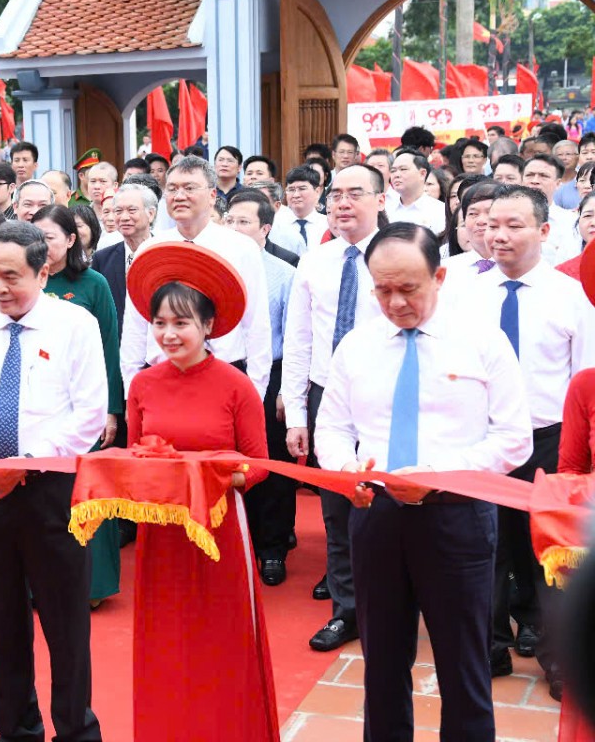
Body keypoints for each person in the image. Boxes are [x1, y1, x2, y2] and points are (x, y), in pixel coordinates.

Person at [315, 221, 531, 740]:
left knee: (464, 665)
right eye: (383, 289)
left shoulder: (481, 341)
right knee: (383, 663)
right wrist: (349, 470)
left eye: (408, 289)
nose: (395, 302)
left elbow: (514, 437)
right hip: (376, 513)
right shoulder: (357, 346)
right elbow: (333, 429)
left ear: (439, 276)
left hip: (457, 515)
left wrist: (441, 478)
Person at [0, 220, 106, 742]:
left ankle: (76, 731)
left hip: (51, 493)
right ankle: (17, 730)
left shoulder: (75, 325)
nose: (0, 287)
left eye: (13, 276)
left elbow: (90, 415)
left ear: (45, 270)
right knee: (2, 627)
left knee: (65, 626)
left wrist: (27, 462)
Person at [123, 241, 278, 741]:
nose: (168, 334)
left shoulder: (236, 385)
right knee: (165, 638)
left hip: (218, 528)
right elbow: (133, 454)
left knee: (221, 637)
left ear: (209, 326)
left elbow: (259, 464)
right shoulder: (143, 385)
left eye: (181, 324)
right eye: (160, 323)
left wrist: (214, 477)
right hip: (161, 532)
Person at [476, 184, 595, 694]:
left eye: (513, 226)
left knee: (550, 552)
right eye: (490, 225)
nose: (498, 236)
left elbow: (584, 376)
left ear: (544, 231)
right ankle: (490, 647)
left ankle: (557, 655)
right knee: (486, 548)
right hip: (484, 438)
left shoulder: (571, 296)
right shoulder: (466, 294)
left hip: (551, 439)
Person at [282, 164, 387, 652]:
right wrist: (299, 414)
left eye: (356, 194)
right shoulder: (315, 260)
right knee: (336, 510)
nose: (343, 203)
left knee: (390, 506)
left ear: (381, 200)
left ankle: (394, 606)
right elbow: (299, 340)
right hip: (328, 396)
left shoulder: (402, 252)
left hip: (387, 394)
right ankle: (348, 611)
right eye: (336, 194)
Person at [120, 156, 272, 402]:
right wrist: (131, 389)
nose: (179, 196)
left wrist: (254, 392)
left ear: (212, 195)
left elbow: (256, 325)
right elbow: (136, 325)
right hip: (160, 378)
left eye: (189, 188)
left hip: (225, 377)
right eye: (172, 188)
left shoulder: (241, 248)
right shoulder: (150, 249)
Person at [32, 204, 124, 605]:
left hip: (83, 402)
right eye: (35, 238)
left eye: (49, 238)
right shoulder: (26, 284)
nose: (42, 246)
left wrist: (110, 409)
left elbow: (109, 350)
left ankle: (92, 585)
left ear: (71, 240)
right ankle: (40, 583)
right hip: (38, 405)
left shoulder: (93, 284)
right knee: (42, 496)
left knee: (86, 491)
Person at [224, 190, 298, 585]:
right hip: (222, 374)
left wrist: (286, 388)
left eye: (245, 222)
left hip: (269, 376)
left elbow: (293, 336)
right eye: (230, 220)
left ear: (265, 229)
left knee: (268, 462)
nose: (234, 229)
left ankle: (272, 548)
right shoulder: (215, 263)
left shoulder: (283, 273)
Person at [92, 184, 156, 337]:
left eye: (132, 210)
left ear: (151, 214)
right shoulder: (102, 259)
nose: (124, 217)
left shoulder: (166, 253)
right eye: (118, 211)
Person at [269, 166, 328, 256]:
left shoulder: (328, 224)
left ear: (317, 192)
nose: (296, 195)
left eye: (302, 189)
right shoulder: (275, 224)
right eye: (291, 190)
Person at [388, 149, 446, 236]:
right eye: (393, 171)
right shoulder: (384, 209)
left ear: (422, 174)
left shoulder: (440, 211)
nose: (396, 175)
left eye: (403, 169)